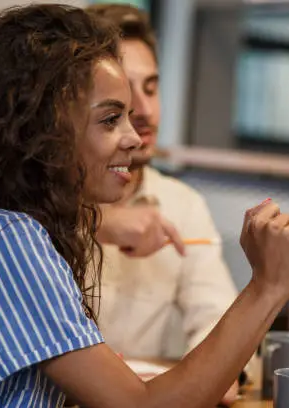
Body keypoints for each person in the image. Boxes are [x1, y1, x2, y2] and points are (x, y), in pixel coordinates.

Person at [0, 5, 289, 408]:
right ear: (39, 130)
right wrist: (267, 287)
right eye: (109, 118)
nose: (135, 138)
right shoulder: (6, 239)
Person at [85, 4, 244, 397]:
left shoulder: (183, 204)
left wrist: (218, 368)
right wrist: (98, 223)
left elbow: (216, 316)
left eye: (151, 88)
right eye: (122, 91)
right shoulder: (31, 203)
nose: (145, 111)